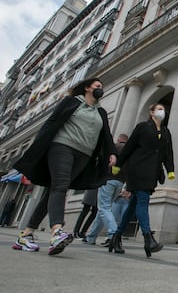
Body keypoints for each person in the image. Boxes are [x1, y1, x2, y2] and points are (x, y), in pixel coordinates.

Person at [12, 77, 117, 255]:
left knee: (53, 190)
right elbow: (52, 122)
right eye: (98, 86)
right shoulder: (71, 102)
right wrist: (38, 146)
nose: (101, 89)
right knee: (60, 185)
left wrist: (112, 153)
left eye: (102, 86)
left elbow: (106, 134)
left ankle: (26, 235)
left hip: (84, 154)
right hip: (62, 147)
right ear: (87, 88)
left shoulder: (101, 112)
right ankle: (57, 231)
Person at [109, 103, 175, 258]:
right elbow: (129, 147)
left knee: (133, 205)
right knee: (143, 200)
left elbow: (168, 152)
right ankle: (148, 238)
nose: (161, 112)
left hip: (152, 172)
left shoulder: (166, 132)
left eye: (163, 109)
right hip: (137, 169)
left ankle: (116, 237)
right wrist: (118, 165)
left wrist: (170, 169)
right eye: (159, 109)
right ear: (151, 112)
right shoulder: (142, 127)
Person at [83, 133, 128, 247]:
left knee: (103, 207)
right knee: (104, 208)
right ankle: (91, 237)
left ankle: (113, 234)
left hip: (108, 179)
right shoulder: (129, 151)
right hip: (120, 182)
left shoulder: (113, 147)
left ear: (119, 139)